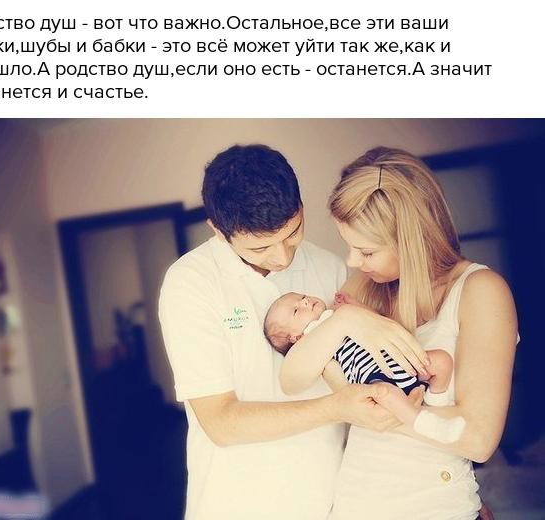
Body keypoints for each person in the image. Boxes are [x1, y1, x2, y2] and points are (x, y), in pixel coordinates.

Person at [158, 144, 428, 520]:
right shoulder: (191, 283)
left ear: (300, 206)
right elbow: (220, 422)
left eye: (293, 233)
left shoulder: (330, 268)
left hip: (331, 501)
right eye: (260, 247)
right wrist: (336, 407)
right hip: (235, 505)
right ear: (218, 231)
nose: (283, 257)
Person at [280, 147, 518, 519]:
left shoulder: (480, 291)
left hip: (436, 507)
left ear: (411, 240)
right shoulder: (365, 288)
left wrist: (385, 407)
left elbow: (478, 439)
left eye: (366, 251)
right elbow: (293, 378)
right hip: (357, 503)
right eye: (349, 247)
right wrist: (345, 320)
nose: (351, 261)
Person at [264, 291, 466, 444]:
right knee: (386, 393)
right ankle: (427, 424)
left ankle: (436, 403)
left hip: (401, 362)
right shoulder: (311, 341)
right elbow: (301, 376)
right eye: (296, 310)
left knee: (442, 361)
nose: (305, 302)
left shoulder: (339, 311)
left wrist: (357, 307)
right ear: (295, 338)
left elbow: (377, 323)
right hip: (374, 376)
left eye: (302, 297)